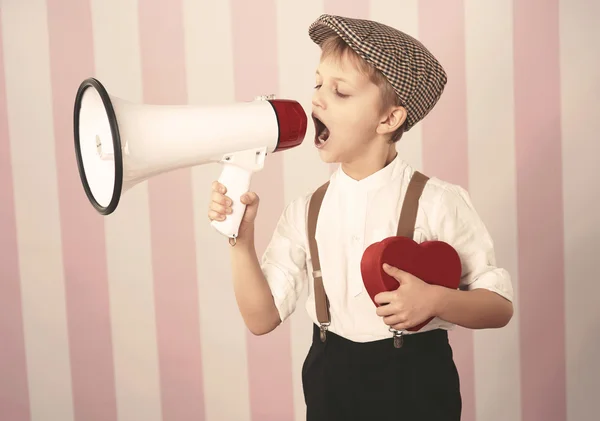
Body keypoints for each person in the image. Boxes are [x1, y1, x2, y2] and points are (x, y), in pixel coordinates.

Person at [208, 14, 514, 421]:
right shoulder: (305, 212)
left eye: (340, 92)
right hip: (331, 384)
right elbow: (261, 318)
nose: (316, 99)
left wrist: (438, 300)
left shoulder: (439, 202)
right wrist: (239, 241)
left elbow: (499, 307)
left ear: (389, 120)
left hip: (417, 387)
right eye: (317, 84)